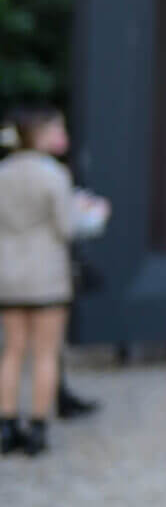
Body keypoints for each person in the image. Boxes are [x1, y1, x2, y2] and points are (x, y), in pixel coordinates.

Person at [0, 107, 110, 456]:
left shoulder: (3, 172)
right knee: (45, 353)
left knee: (12, 351)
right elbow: (66, 228)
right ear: (41, 134)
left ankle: (6, 425)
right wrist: (93, 216)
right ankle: (37, 428)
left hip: (8, 275)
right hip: (45, 276)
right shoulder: (53, 175)